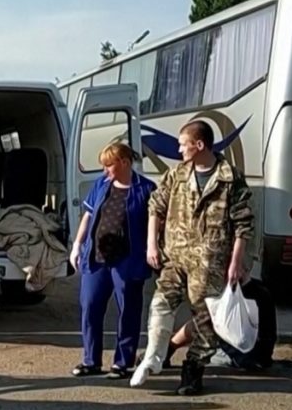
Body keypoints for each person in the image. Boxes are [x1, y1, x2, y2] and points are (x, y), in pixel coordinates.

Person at [131, 119, 255, 395]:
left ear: (199, 145)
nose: (179, 150)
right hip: (175, 257)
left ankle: (193, 369)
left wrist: (236, 263)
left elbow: (243, 224)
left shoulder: (229, 178)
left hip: (210, 263)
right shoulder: (177, 174)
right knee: (161, 304)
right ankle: (154, 355)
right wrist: (151, 245)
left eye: (182, 144)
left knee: (205, 319)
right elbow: (156, 207)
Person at [68, 143, 156, 379]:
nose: (105, 170)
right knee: (90, 305)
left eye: (109, 165)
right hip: (97, 257)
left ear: (124, 163)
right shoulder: (101, 184)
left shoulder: (146, 189)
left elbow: (155, 223)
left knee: (128, 309)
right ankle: (90, 360)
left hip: (128, 260)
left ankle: (122, 363)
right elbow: (88, 215)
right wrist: (77, 245)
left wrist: (152, 248)